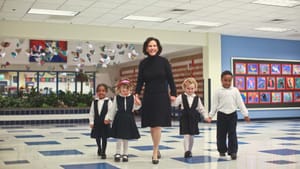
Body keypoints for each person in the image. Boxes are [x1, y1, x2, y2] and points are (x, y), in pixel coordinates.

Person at [135, 37, 177, 164]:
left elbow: (170, 79)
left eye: (154, 45)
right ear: (146, 48)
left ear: (158, 47)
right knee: (152, 126)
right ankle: (156, 147)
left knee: (158, 124)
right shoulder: (143, 63)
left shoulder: (164, 62)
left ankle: (155, 151)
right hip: (149, 96)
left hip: (162, 96)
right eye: (150, 46)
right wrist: (136, 94)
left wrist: (174, 93)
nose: (152, 48)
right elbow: (140, 80)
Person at [209, 70, 250, 160]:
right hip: (221, 115)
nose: (227, 82)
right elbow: (214, 105)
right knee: (221, 134)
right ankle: (222, 150)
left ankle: (233, 152)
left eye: (229, 81)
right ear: (221, 80)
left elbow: (240, 103)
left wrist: (245, 114)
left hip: (232, 115)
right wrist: (210, 116)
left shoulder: (235, 91)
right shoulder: (218, 91)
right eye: (225, 80)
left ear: (232, 81)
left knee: (232, 134)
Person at [173, 77, 211, 158]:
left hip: (193, 118)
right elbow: (175, 104)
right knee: (186, 134)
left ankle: (190, 150)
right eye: (188, 88)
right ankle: (186, 151)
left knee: (191, 135)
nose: (190, 90)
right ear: (184, 88)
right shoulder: (181, 96)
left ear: (195, 88)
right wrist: (172, 100)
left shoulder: (197, 98)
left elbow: (202, 109)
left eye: (192, 88)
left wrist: (206, 117)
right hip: (184, 118)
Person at [104, 79, 141, 162]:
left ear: (130, 89)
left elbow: (135, 107)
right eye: (123, 88)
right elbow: (113, 109)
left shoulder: (132, 97)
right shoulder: (117, 98)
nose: (125, 90)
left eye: (127, 88)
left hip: (128, 118)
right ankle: (117, 153)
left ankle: (125, 153)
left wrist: (138, 104)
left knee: (126, 138)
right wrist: (108, 118)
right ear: (119, 89)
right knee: (119, 137)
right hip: (119, 118)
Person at [89, 83, 112, 159]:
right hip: (97, 122)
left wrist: (107, 118)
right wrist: (91, 122)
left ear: (106, 92)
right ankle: (99, 147)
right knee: (97, 137)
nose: (101, 92)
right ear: (97, 92)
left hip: (105, 122)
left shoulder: (108, 101)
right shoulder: (94, 101)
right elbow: (92, 112)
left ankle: (103, 152)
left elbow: (110, 111)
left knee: (104, 137)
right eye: (99, 91)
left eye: (103, 91)